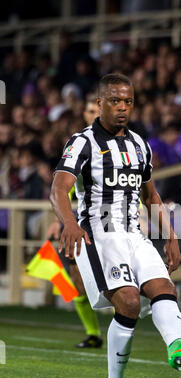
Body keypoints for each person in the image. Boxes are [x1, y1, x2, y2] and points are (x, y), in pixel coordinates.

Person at [50, 73, 181, 378]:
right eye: (115, 100)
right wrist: (70, 223)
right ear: (99, 102)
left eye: (127, 101)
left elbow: (151, 194)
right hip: (100, 234)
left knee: (164, 287)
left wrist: (171, 235)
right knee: (129, 302)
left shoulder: (139, 144)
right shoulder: (82, 142)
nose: (122, 107)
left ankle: (178, 347)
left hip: (135, 233)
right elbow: (58, 188)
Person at [47, 98, 103, 349]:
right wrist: (58, 220)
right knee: (76, 278)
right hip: (83, 224)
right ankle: (93, 333)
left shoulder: (125, 142)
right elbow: (64, 188)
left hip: (115, 224)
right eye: (91, 110)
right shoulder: (80, 144)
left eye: (98, 110)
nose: (95, 114)